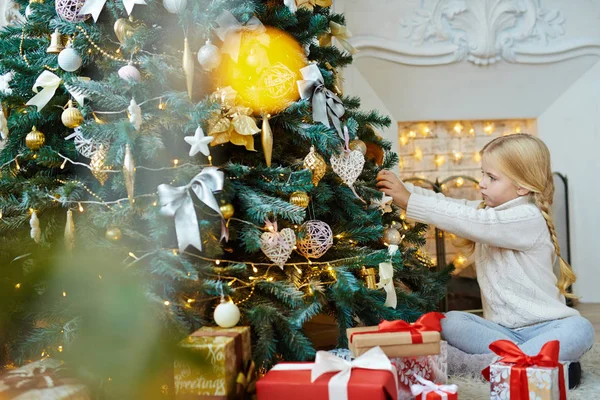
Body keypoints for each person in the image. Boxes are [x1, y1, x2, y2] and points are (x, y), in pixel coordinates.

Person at [376, 134, 595, 387]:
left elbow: (476, 223)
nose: (481, 183)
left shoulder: (527, 217)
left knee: (580, 328)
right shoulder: (487, 211)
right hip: (501, 333)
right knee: (452, 321)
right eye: (482, 174)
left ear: (522, 186)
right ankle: (535, 366)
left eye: (491, 177)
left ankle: (479, 365)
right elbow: (447, 204)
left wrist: (409, 200)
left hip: (547, 329)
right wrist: (404, 190)